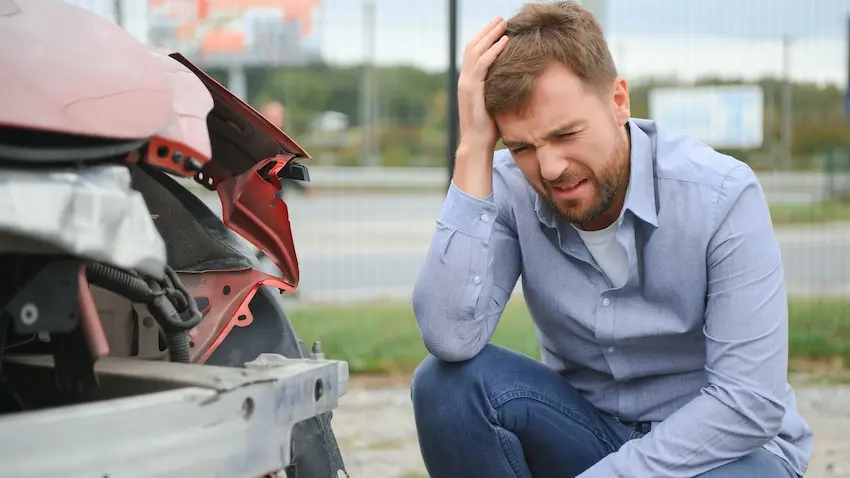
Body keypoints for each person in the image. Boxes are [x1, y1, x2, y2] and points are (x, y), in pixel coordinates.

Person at [409, 2, 813, 478]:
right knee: (446, 386)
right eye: (522, 147)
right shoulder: (508, 187)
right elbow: (449, 338)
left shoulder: (720, 195)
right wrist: (473, 147)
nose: (551, 167)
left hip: (724, 454)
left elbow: (748, 404)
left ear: (619, 101)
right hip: (588, 432)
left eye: (566, 134)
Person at [259, 100, 316, 198]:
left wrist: (303, 188)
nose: (279, 121)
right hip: (255, 194)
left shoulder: (281, 143)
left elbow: (283, 170)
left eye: (280, 117)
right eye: (274, 117)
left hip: (273, 199)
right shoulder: (257, 140)